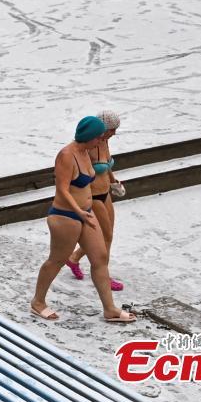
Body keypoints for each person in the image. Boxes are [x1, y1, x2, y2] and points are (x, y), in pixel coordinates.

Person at [29, 116, 135, 322]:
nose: (101, 141)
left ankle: (110, 309)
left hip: (86, 212)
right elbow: (62, 189)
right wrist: (78, 211)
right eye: (99, 137)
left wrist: (111, 184)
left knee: (100, 258)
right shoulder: (66, 156)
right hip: (65, 215)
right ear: (89, 136)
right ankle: (38, 302)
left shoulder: (86, 152)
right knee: (57, 260)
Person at [65, 110, 125, 290]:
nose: (114, 133)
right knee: (105, 236)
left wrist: (114, 182)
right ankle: (103, 276)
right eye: (112, 129)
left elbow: (106, 166)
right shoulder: (88, 145)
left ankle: (74, 258)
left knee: (108, 235)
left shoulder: (104, 142)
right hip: (93, 195)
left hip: (106, 192)